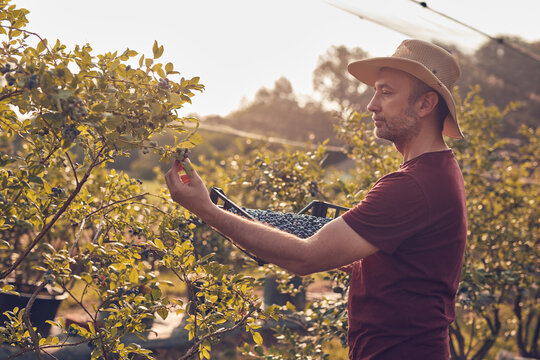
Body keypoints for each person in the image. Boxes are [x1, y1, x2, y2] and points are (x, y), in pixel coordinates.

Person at [165, 39, 467, 360]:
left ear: (425, 105)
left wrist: (206, 210)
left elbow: (304, 259)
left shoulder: (411, 185)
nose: (371, 105)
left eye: (386, 92)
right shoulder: (436, 172)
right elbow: (408, 268)